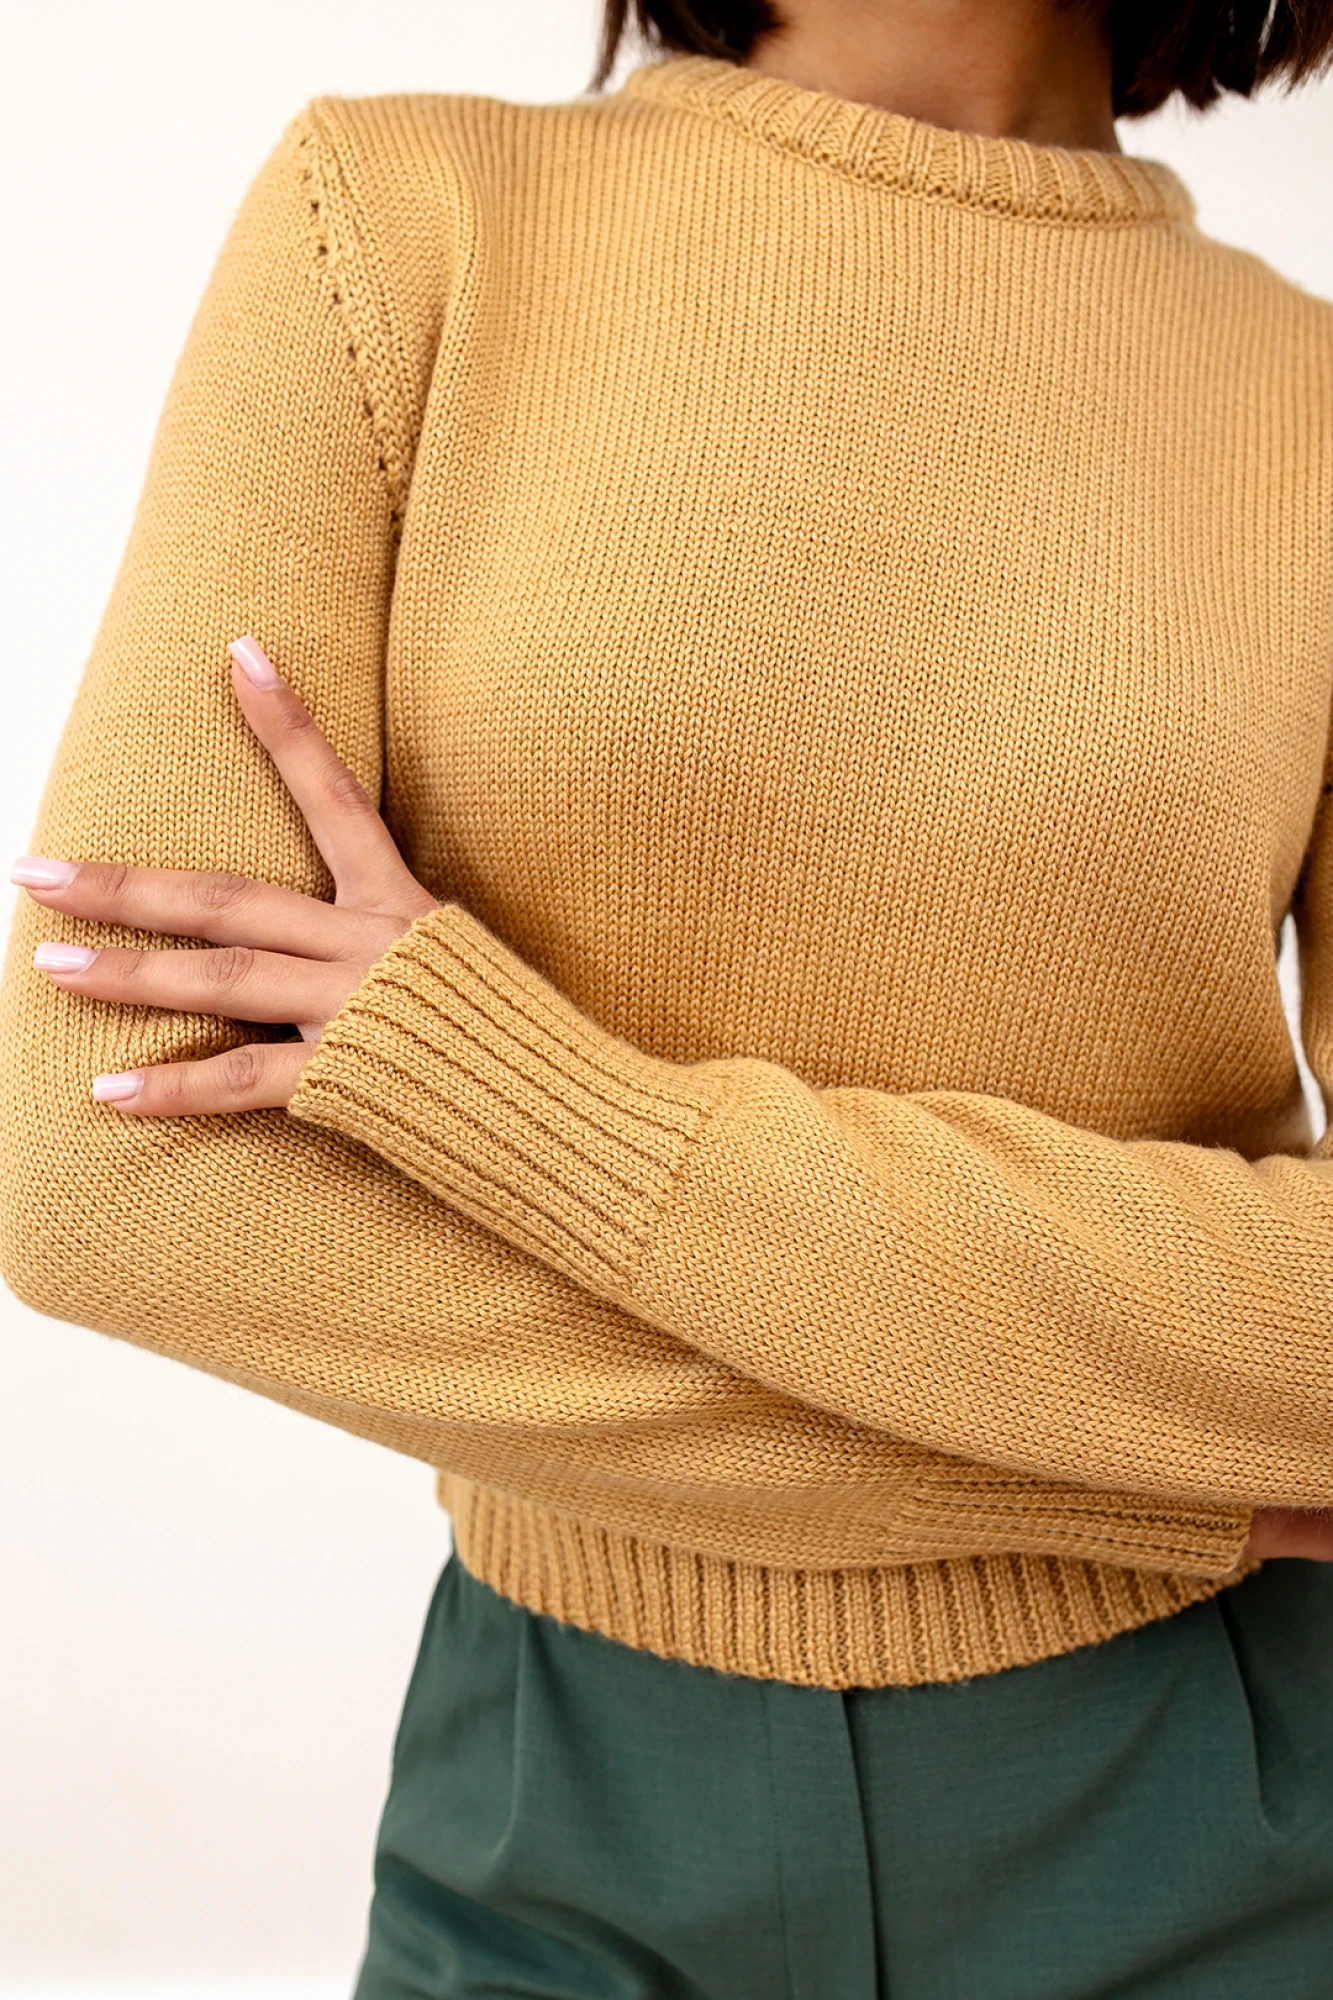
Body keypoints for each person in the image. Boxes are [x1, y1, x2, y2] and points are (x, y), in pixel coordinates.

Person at [4, 0, 1333, 1989]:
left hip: (1215, 1806)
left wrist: (525, 1101)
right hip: (557, 1810)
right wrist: (1129, 1481)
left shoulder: (1310, 406)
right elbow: (110, 1180)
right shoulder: (406, 223)